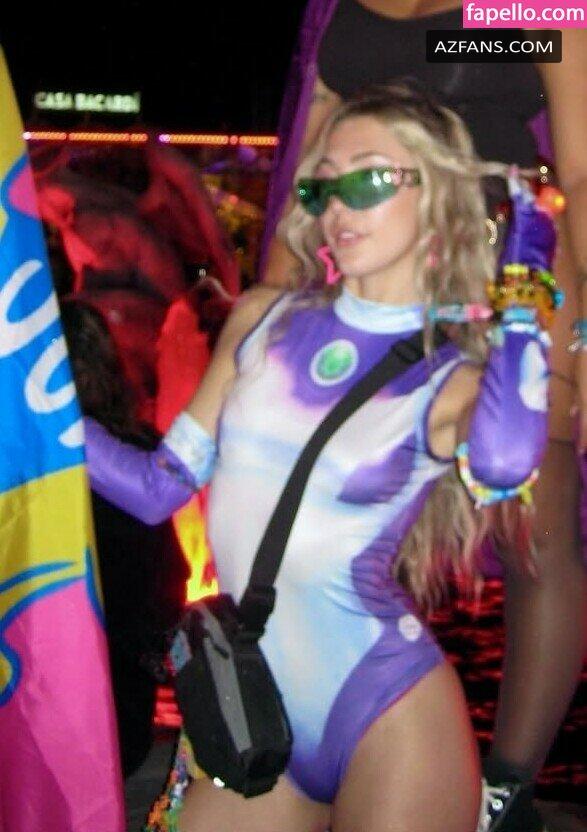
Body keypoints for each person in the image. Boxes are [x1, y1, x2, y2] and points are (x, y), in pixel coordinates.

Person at [83, 86, 557, 832]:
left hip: (388, 714)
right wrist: (32, 412)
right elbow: (154, 489)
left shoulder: (450, 378)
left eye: (369, 179)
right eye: (322, 185)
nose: (337, 205)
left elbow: (502, 462)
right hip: (254, 709)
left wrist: (525, 289)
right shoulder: (263, 318)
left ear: (439, 194)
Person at [261, 6, 587, 830]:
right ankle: (348, 745)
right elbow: (313, 155)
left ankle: (504, 792)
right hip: (372, 271)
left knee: (533, 528)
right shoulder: (341, 6)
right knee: (347, 521)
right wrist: (270, 301)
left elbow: (582, 172)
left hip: (505, 263)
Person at [60, 299, 189, 778]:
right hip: (120, 687)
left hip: (76, 674)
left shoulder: (45, 462)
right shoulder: (138, 452)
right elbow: (172, 575)